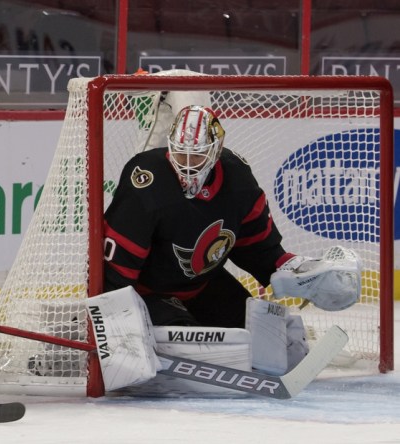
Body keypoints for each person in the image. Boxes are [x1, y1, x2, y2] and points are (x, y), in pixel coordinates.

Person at [102, 104, 360, 330]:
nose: (189, 164)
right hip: (149, 293)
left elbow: (257, 246)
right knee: (188, 338)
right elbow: (119, 259)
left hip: (204, 286)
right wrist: (114, 318)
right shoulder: (148, 180)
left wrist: (293, 269)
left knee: (265, 332)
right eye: (181, 153)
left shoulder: (238, 180)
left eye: (198, 155)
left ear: (216, 150)